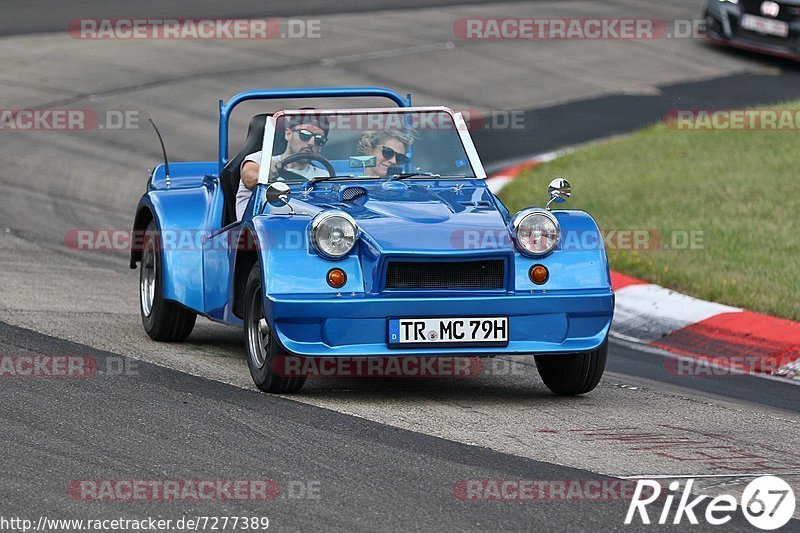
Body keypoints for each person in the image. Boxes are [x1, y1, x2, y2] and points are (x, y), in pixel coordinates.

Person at [236, 114, 330, 220]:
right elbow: (249, 179)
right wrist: (265, 175)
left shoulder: (322, 175)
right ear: (288, 134)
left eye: (319, 140)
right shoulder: (261, 160)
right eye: (305, 135)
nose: (311, 143)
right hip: (255, 230)